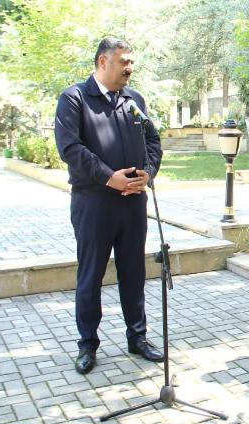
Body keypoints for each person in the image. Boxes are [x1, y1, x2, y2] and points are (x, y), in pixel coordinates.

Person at [55, 37, 164, 375]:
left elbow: (152, 139)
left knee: (134, 272)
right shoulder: (75, 98)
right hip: (94, 203)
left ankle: (137, 337)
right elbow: (70, 148)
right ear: (104, 62)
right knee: (91, 274)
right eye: (124, 62)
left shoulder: (134, 99)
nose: (130, 68)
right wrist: (108, 177)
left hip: (133, 202)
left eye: (132, 62)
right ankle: (87, 344)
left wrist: (148, 172)